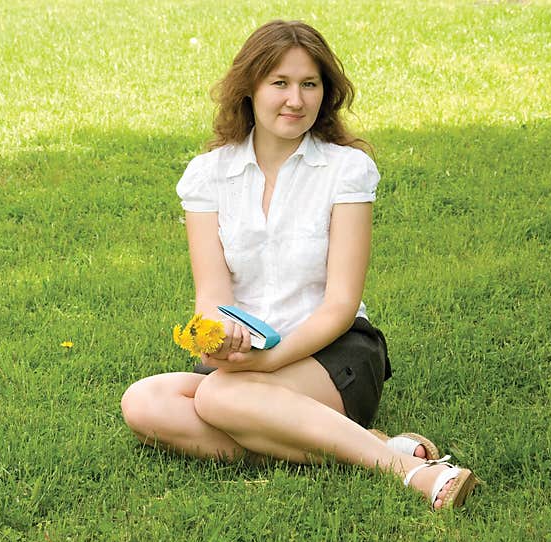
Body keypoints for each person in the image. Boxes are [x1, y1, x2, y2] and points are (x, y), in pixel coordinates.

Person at [120, 19, 477, 510]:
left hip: (334, 351)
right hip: (245, 365)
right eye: (279, 83)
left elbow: (340, 304)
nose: (295, 99)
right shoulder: (208, 176)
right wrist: (222, 338)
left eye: (309, 84)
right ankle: (364, 444)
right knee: (142, 402)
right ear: (250, 88)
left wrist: (263, 363)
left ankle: (411, 471)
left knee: (218, 399)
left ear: (325, 92)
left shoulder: (345, 170)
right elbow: (212, 297)